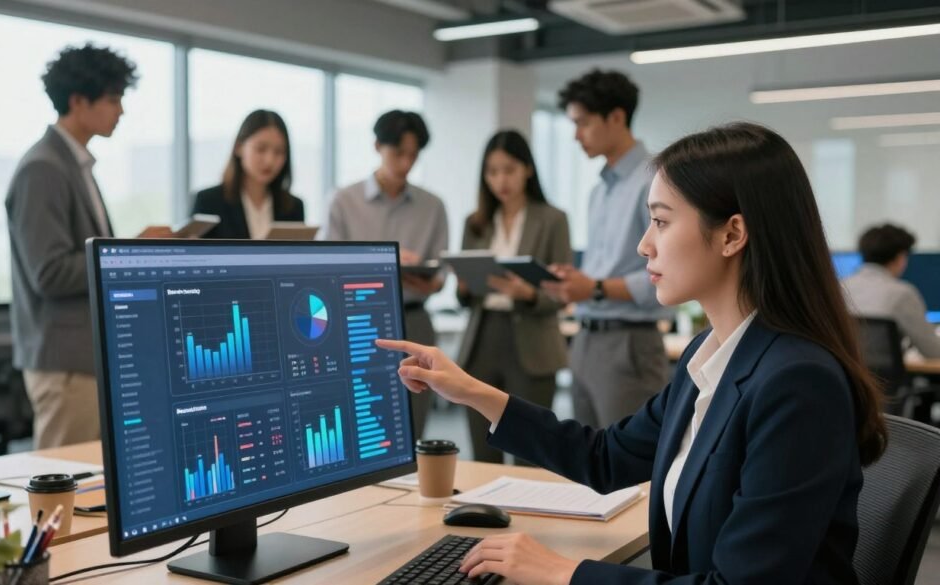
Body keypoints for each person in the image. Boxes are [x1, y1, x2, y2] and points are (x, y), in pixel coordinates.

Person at [378, 123, 887, 584]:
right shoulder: (710, 358)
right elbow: (605, 456)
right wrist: (470, 390)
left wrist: (564, 573)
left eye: (661, 222)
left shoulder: (797, 383)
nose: (645, 245)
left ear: (732, 234)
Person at [6, 43, 170, 449]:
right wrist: (130, 249)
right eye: (113, 100)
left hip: (84, 358)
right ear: (78, 101)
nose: (122, 111)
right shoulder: (43, 168)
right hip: (65, 363)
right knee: (63, 490)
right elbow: (49, 272)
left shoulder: (74, 164)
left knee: (91, 489)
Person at [540, 69, 673, 432]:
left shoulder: (656, 181)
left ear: (616, 117)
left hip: (629, 343)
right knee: (591, 466)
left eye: (583, 123)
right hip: (585, 338)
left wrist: (595, 288)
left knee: (632, 466)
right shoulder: (599, 191)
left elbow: (665, 277)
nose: (576, 135)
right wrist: (577, 283)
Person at [325, 110, 448, 439]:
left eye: (414, 154)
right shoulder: (343, 201)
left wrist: (427, 278)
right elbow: (326, 271)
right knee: (361, 426)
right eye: (399, 153)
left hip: (415, 320)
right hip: (359, 324)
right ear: (377, 145)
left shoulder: (433, 206)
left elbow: (440, 277)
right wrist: (385, 264)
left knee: (415, 425)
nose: (406, 163)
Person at [456, 130, 572, 463]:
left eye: (508, 169)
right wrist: (464, 287)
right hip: (482, 340)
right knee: (482, 454)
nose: (500, 180)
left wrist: (528, 294)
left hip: (532, 343)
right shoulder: (475, 223)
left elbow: (562, 293)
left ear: (528, 169)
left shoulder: (553, 220)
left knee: (529, 454)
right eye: (492, 172)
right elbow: (464, 295)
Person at [192, 110, 305, 238]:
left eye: (279, 152)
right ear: (239, 147)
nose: (270, 160)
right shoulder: (208, 202)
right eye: (261, 149)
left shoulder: (293, 206)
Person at [843, 223, 940, 358]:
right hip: (884, 378)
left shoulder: (838, 287)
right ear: (900, 257)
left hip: (843, 374)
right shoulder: (902, 293)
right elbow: (933, 351)